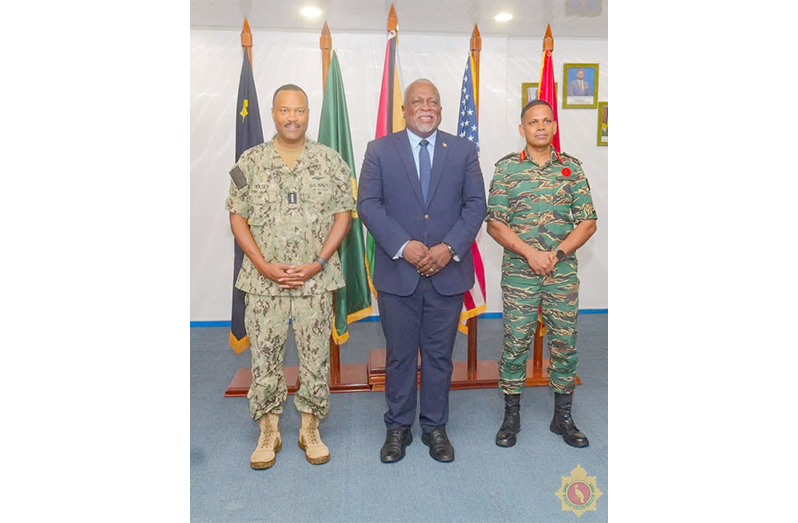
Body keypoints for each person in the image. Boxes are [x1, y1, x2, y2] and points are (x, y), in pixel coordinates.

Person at [224, 84, 354, 469]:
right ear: (274, 113)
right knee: (264, 357)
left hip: (315, 280)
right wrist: (263, 265)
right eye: (285, 111)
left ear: (308, 114)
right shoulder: (249, 162)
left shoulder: (330, 161)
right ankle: (269, 429)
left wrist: (318, 261)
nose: (292, 118)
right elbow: (237, 216)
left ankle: (310, 427)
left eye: (299, 111)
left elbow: (343, 215)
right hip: (265, 283)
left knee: (315, 358)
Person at [358, 78, 486, 463]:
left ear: (442, 110)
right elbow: (368, 204)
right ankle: (397, 427)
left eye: (432, 101)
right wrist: (403, 246)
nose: (425, 107)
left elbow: (476, 204)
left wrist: (448, 248)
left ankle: (434, 428)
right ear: (405, 110)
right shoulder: (379, 150)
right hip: (398, 274)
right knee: (399, 355)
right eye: (417, 101)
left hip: (447, 273)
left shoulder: (463, 150)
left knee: (438, 356)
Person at [486, 99, 597, 449]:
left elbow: (588, 222)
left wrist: (556, 253)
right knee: (515, 342)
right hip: (520, 273)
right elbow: (495, 224)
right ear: (523, 129)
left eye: (547, 121)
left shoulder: (572, 169)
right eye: (533, 122)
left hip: (560, 274)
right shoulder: (506, 170)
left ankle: (562, 416)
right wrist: (531, 254)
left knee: (564, 343)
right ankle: (511, 415)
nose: (541, 127)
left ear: (554, 127)